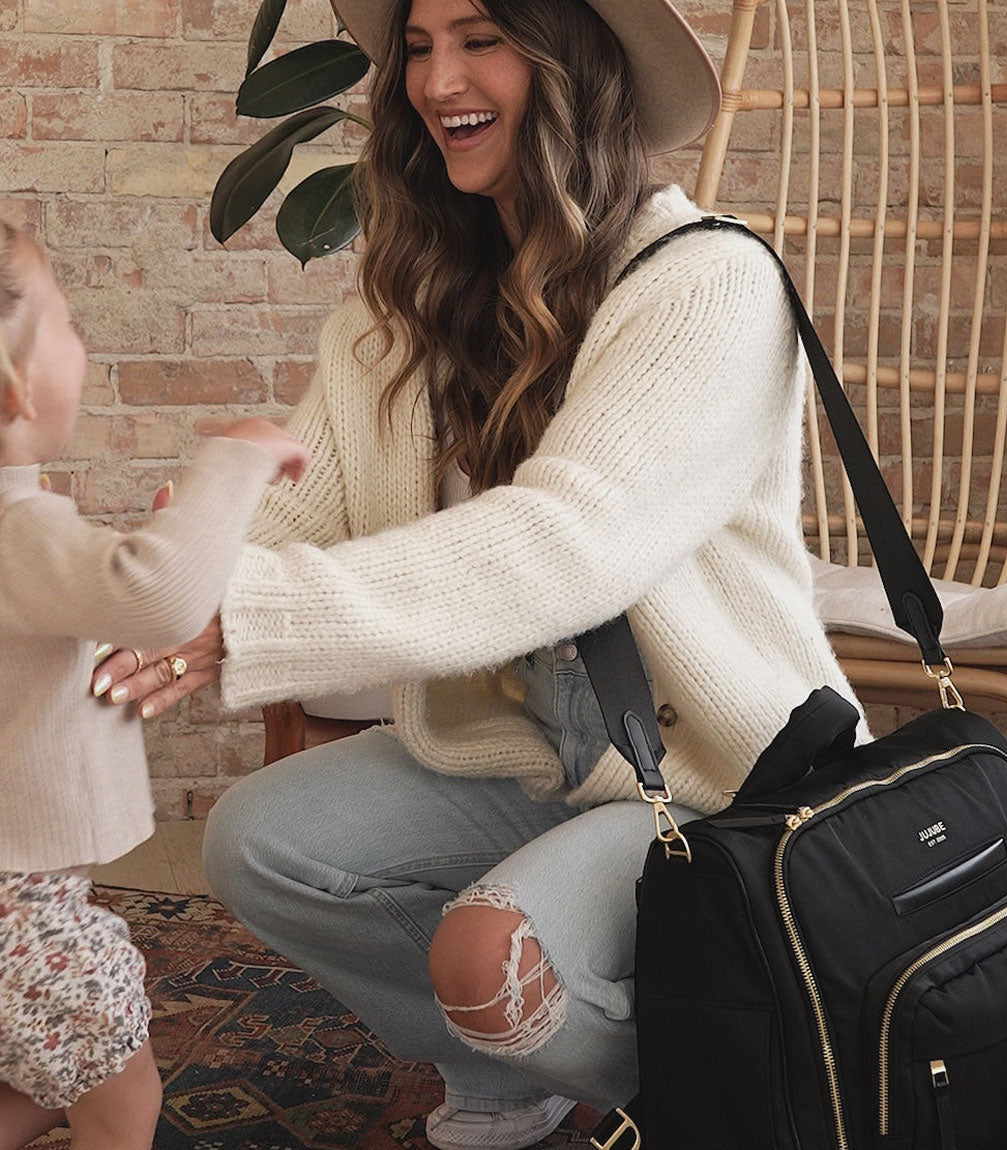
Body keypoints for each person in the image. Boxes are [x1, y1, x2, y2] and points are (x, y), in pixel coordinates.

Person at [92, 0, 864, 1146]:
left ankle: (767, 1083)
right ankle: (511, 1070)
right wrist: (164, 586)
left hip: (708, 770)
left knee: (486, 953)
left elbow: (569, 544)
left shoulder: (708, 283)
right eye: (416, 45)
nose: (435, 77)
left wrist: (247, 615)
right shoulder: (397, 308)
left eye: (480, 37)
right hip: (518, 743)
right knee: (259, 840)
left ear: (569, 60)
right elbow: (306, 510)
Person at [0, 221, 309, 1150]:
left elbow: (113, 591)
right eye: (69, 325)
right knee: (122, 1097)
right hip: (24, 915)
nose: (84, 344)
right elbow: (158, 594)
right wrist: (239, 455)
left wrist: (180, 546)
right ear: (14, 389)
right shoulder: (18, 534)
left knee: (45, 1087)